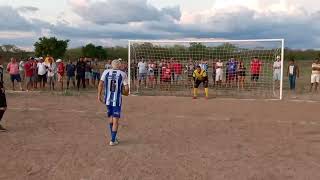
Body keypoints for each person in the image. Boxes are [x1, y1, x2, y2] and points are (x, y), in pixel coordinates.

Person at [98, 59, 129, 146]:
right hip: (117, 100)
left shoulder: (106, 72)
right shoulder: (123, 74)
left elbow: (100, 84)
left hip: (107, 99)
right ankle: (112, 140)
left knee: (111, 118)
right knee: (115, 120)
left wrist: (99, 95)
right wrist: (125, 93)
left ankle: (113, 137)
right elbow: (126, 89)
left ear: (111, 66)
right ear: (119, 66)